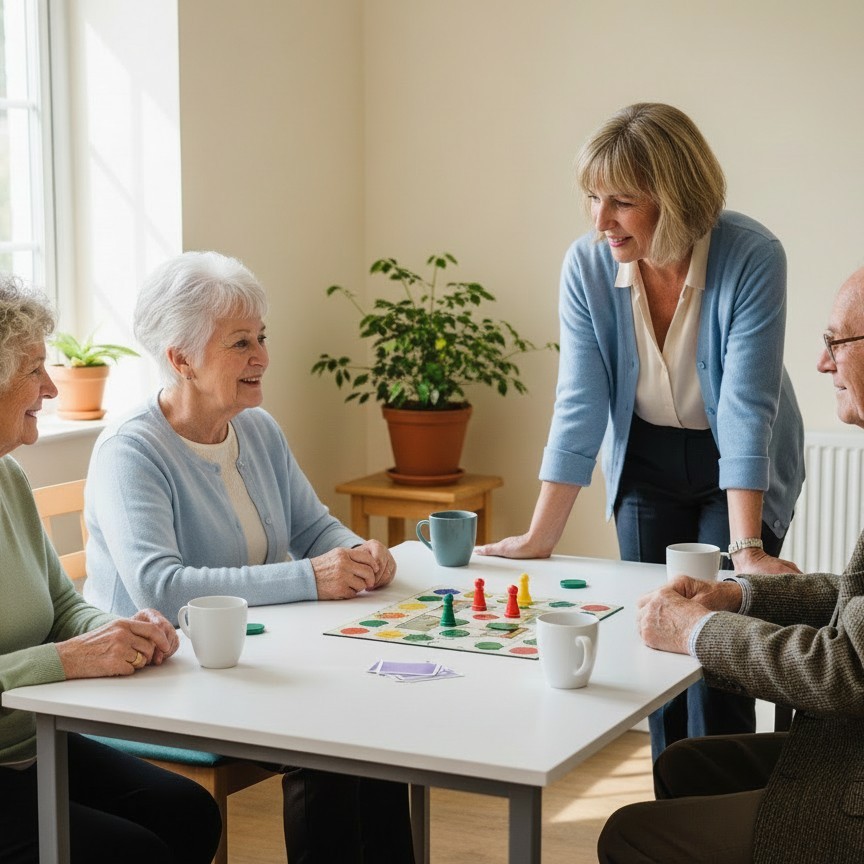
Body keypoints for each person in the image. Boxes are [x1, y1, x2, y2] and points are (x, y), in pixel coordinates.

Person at [476, 102, 805, 758]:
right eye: (592, 198)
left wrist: (746, 551)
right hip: (647, 460)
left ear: (675, 197)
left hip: (738, 466)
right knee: (657, 640)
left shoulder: (752, 255)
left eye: (621, 202)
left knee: (717, 648)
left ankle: (723, 830)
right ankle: (665, 831)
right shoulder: (588, 266)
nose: (601, 221)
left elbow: (745, 407)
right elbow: (580, 401)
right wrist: (543, 535)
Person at [83, 251, 414, 864]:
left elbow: (313, 526)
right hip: (157, 675)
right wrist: (310, 578)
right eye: (240, 343)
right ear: (181, 358)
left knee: (377, 721)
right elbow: (164, 589)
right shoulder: (131, 451)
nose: (261, 356)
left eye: (261, 337)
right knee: (328, 745)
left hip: (247, 660)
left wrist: (359, 552)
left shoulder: (257, 428)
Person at [597, 265, 864, 862]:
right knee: (682, 762)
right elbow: (857, 597)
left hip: (853, 781)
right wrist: (739, 597)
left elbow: (846, 668)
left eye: (835, 343)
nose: (821, 365)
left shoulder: (748, 256)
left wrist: (698, 630)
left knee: (627, 835)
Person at [0, 276, 221, 864]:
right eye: (33, 371)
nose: (49, 387)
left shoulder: (9, 479)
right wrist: (66, 661)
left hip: (33, 741)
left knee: (190, 813)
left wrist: (119, 631)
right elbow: (59, 652)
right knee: (133, 853)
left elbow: (63, 606)